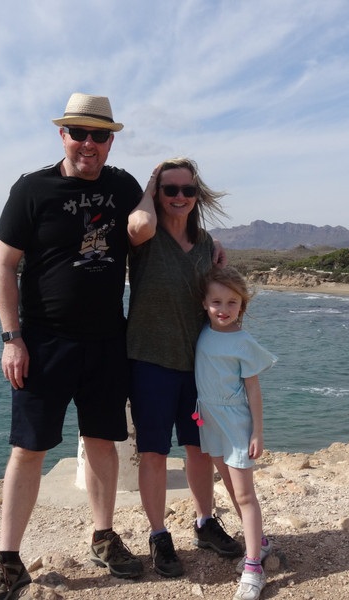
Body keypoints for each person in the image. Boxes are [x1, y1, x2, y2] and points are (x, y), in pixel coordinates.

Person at [0, 93, 156, 600]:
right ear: (63, 135)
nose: (89, 144)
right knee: (27, 450)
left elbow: (156, 219)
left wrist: (207, 247)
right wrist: (11, 338)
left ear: (111, 141)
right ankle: (9, 559)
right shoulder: (32, 189)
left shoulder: (121, 186)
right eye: (79, 132)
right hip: (43, 341)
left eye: (100, 135)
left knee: (105, 441)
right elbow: (4, 265)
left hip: (105, 341)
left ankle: (103, 535)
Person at [126, 157, 240, 579]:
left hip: (199, 367)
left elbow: (222, 297)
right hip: (150, 361)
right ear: (157, 194)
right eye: (169, 189)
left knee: (201, 449)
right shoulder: (146, 236)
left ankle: (205, 524)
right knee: (154, 453)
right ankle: (158, 535)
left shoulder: (208, 244)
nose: (178, 197)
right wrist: (149, 182)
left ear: (197, 195)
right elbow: (137, 226)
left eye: (187, 190)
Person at [194, 266, 277, 600]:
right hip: (209, 421)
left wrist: (257, 432)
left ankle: (254, 565)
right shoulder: (201, 331)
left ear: (242, 306)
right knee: (229, 488)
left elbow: (253, 390)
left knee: (245, 496)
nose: (223, 309)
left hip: (236, 424)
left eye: (232, 302)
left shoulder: (243, 341)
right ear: (204, 303)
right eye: (217, 301)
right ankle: (262, 542)